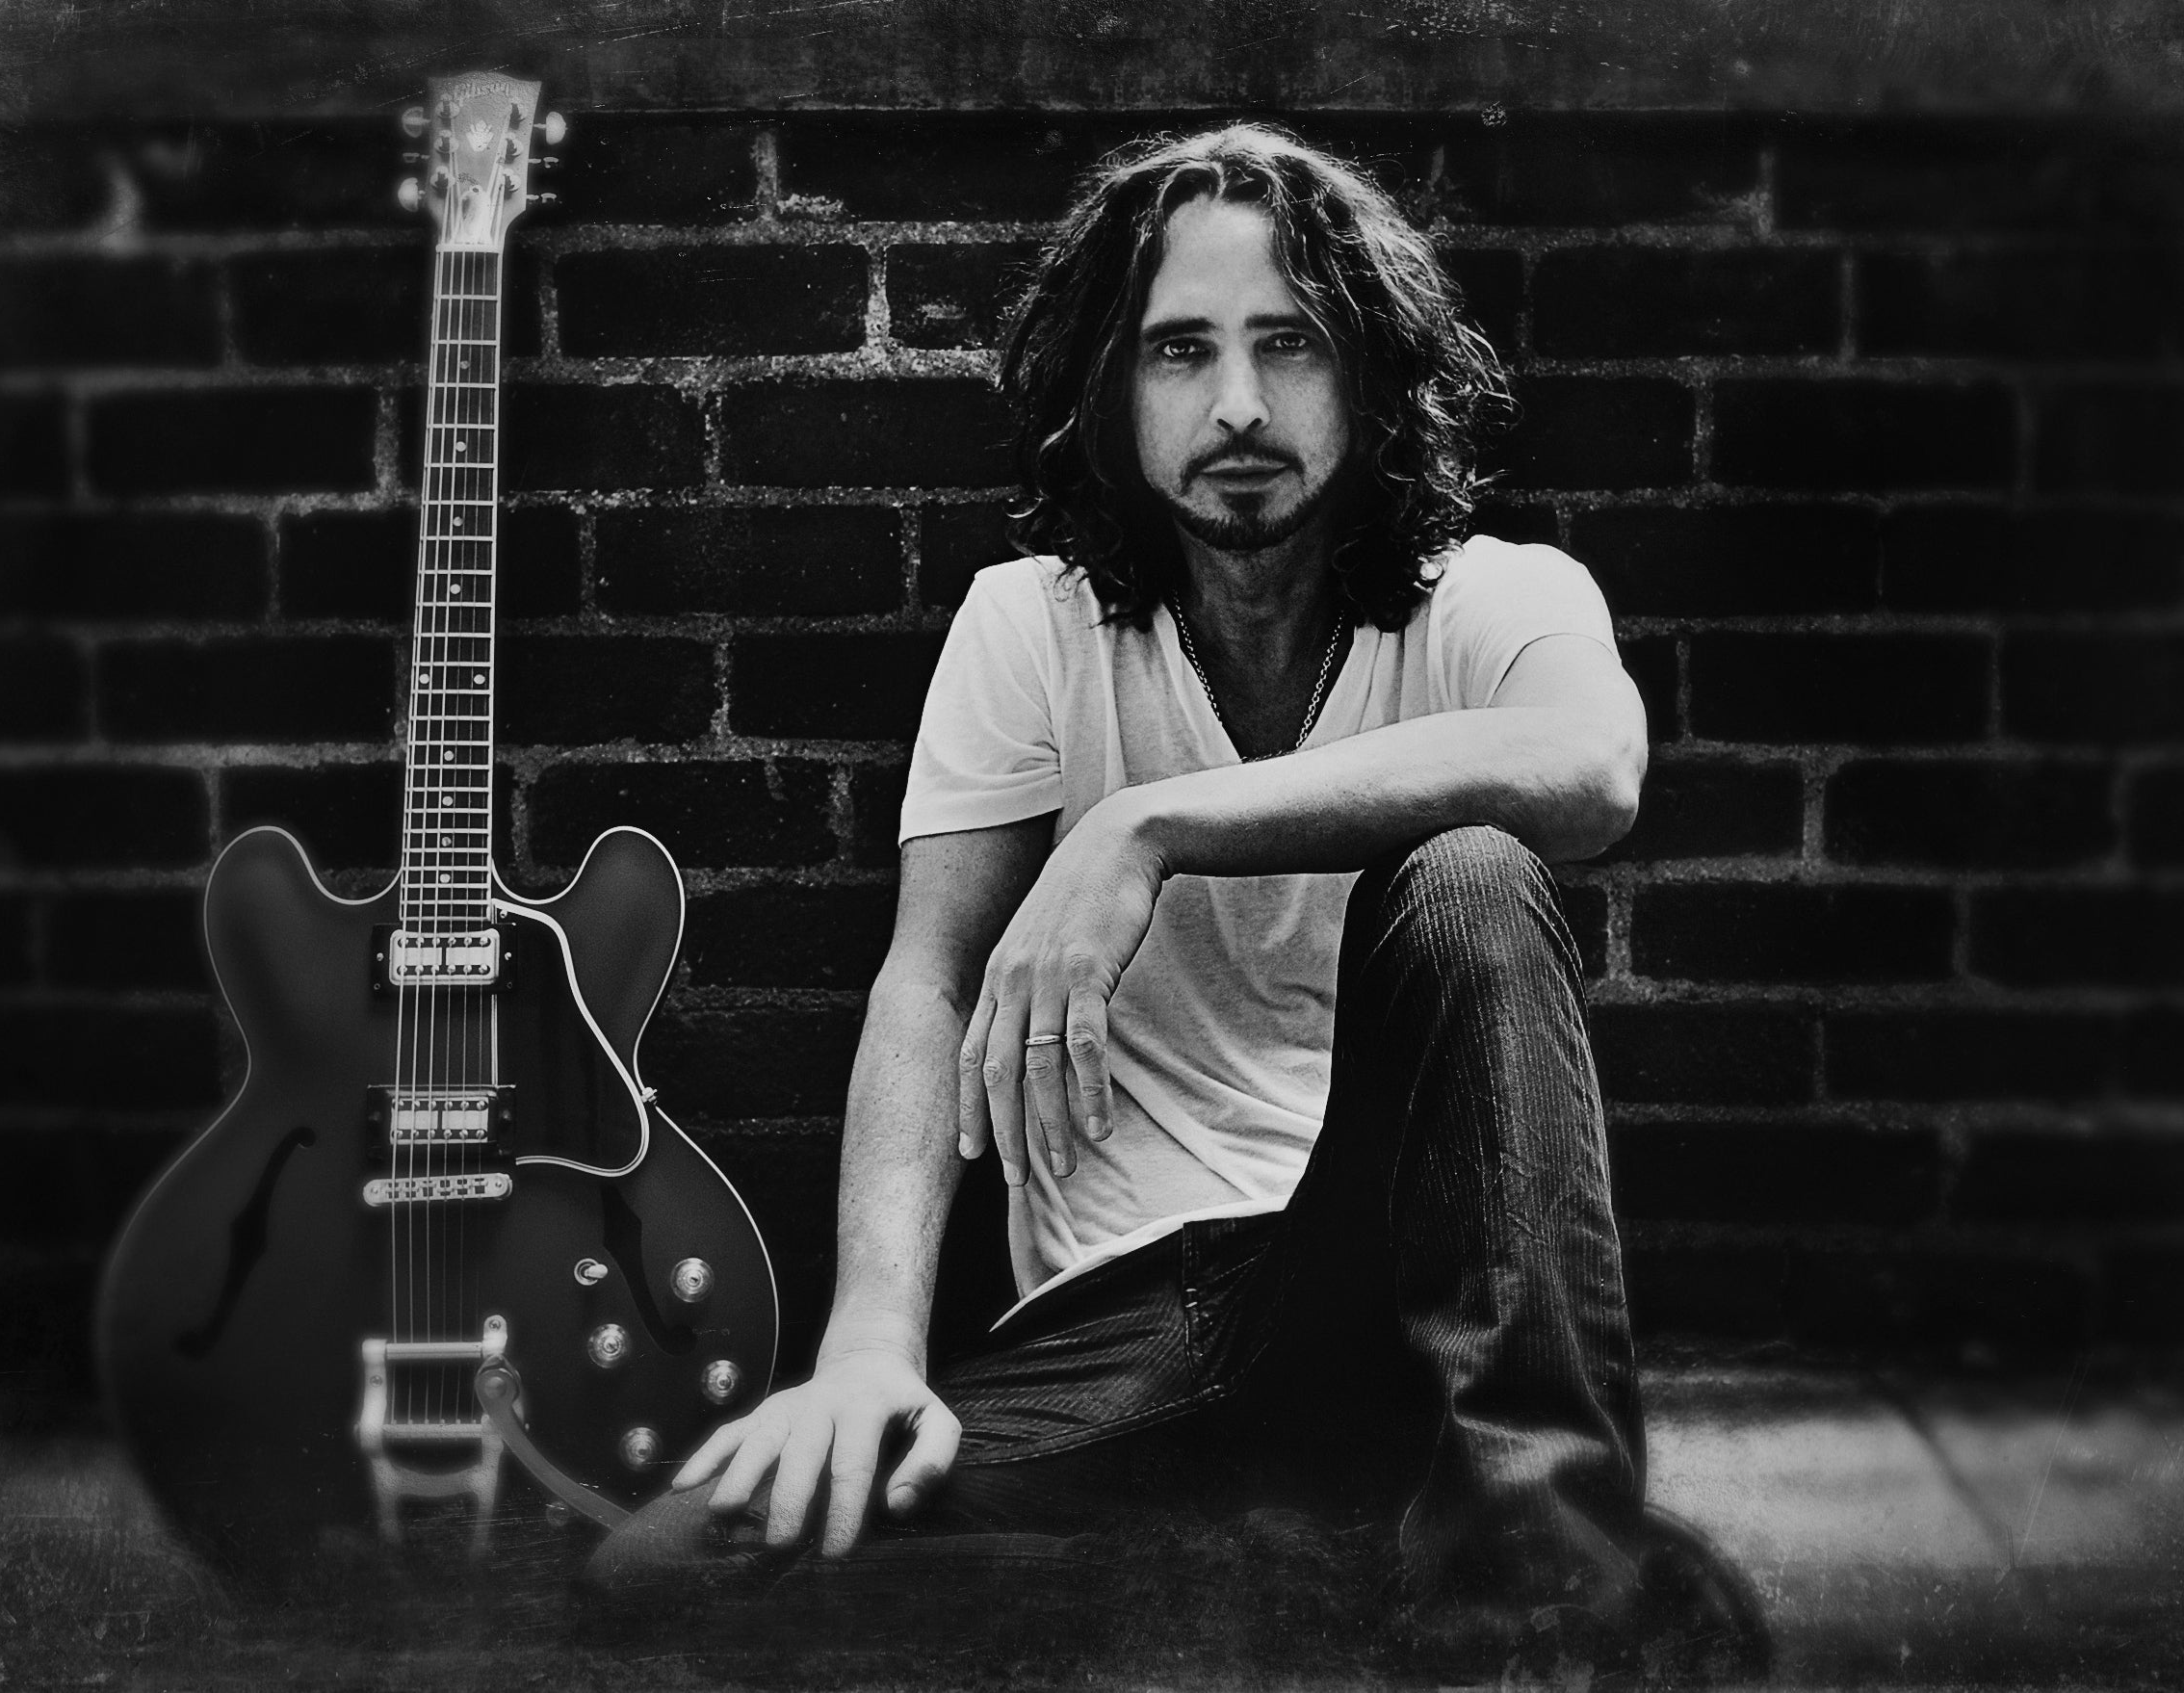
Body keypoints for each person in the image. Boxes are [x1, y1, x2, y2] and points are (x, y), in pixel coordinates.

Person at [647, 122, 1769, 1680]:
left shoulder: (1499, 597)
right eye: (1183, 350)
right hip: (1150, 1330)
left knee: (1471, 873)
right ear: (1115, 390)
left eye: (1289, 346)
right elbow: (926, 979)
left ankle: (1543, 1583)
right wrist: (866, 1350)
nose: (1238, 404)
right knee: (680, 1564)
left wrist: (1144, 828)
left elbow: (1590, 766)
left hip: (1419, 1289)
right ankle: (1380, 1569)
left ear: (1371, 376)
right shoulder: (1030, 629)